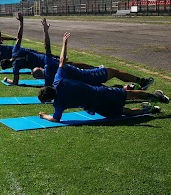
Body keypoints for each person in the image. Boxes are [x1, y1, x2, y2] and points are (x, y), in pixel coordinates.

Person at [37, 32, 168, 122]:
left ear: (50, 100)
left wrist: (44, 116)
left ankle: (149, 110)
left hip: (96, 107)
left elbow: (55, 119)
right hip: (100, 92)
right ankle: (156, 98)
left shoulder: (59, 104)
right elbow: (62, 61)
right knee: (129, 94)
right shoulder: (58, 81)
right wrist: (64, 43)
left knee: (125, 111)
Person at [32, 19, 154, 89]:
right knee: (114, 72)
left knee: (110, 90)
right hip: (88, 76)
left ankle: (133, 88)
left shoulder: (48, 83)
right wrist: (45, 31)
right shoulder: (49, 65)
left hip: (83, 85)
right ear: (41, 68)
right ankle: (141, 82)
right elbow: (47, 47)